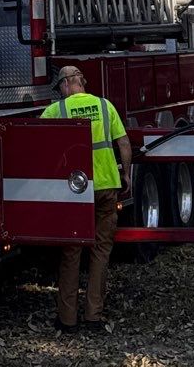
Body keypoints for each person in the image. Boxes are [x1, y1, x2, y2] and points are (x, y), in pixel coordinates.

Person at [42, 63, 132, 335]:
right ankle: (94, 315)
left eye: (60, 87)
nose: (60, 92)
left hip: (75, 192)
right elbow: (124, 145)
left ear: (68, 84)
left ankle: (67, 320)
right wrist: (125, 174)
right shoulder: (105, 107)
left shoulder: (57, 110)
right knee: (101, 252)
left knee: (71, 254)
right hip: (106, 188)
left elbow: (34, 139)